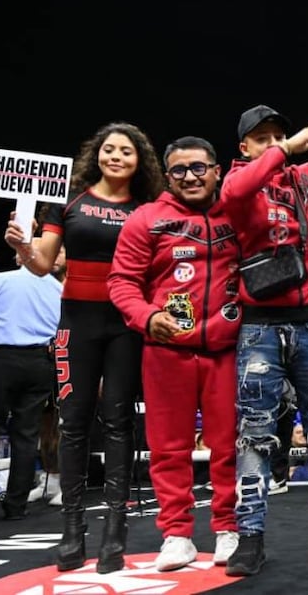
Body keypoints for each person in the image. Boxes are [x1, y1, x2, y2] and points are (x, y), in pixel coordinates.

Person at [217, 86, 308, 576]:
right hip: (259, 325)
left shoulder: (307, 179)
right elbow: (233, 195)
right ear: (245, 148)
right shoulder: (240, 180)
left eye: (279, 134)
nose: (276, 143)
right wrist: (286, 147)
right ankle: (250, 539)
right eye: (263, 139)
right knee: (255, 437)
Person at [5, 121, 162, 573]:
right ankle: (72, 532)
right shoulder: (69, 202)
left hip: (126, 324)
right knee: (73, 423)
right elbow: (39, 265)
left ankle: (115, 532)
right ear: (97, 154)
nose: (116, 156)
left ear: (139, 161)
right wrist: (22, 246)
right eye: (109, 149)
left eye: (126, 151)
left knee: (118, 420)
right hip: (76, 323)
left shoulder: (146, 207)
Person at [107, 136, 242, 571]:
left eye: (199, 167)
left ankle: (228, 530)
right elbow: (122, 282)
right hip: (166, 350)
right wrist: (147, 318)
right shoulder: (147, 219)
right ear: (168, 176)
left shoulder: (237, 214)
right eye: (180, 170)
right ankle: (177, 535)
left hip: (227, 349)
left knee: (228, 448)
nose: (191, 176)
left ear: (216, 170)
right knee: (168, 449)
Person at [0, 247, 62, 519]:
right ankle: (16, 506)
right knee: (27, 434)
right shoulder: (57, 288)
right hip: (41, 361)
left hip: (1, 358)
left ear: (20, 256)